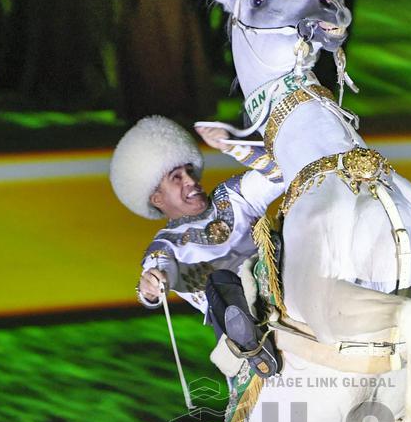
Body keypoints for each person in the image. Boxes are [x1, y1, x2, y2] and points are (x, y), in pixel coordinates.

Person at [109, 115, 283, 375]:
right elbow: (157, 275)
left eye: (189, 171)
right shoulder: (165, 246)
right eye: (176, 177)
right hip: (248, 317)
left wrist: (232, 146)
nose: (191, 180)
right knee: (219, 281)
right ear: (157, 198)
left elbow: (281, 172)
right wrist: (150, 288)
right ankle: (253, 350)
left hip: (284, 277)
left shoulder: (233, 194)